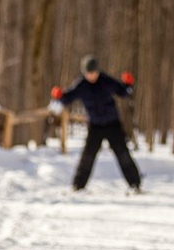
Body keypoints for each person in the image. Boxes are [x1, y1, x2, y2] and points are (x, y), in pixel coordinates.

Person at [51, 55, 142, 192]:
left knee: (123, 154)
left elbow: (123, 92)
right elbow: (67, 98)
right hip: (95, 126)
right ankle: (78, 186)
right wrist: (59, 95)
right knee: (88, 156)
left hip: (113, 124)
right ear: (84, 73)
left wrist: (128, 84)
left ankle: (135, 184)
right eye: (89, 73)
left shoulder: (106, 81)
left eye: (94, 72)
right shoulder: (81, 85)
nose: (92, 75)